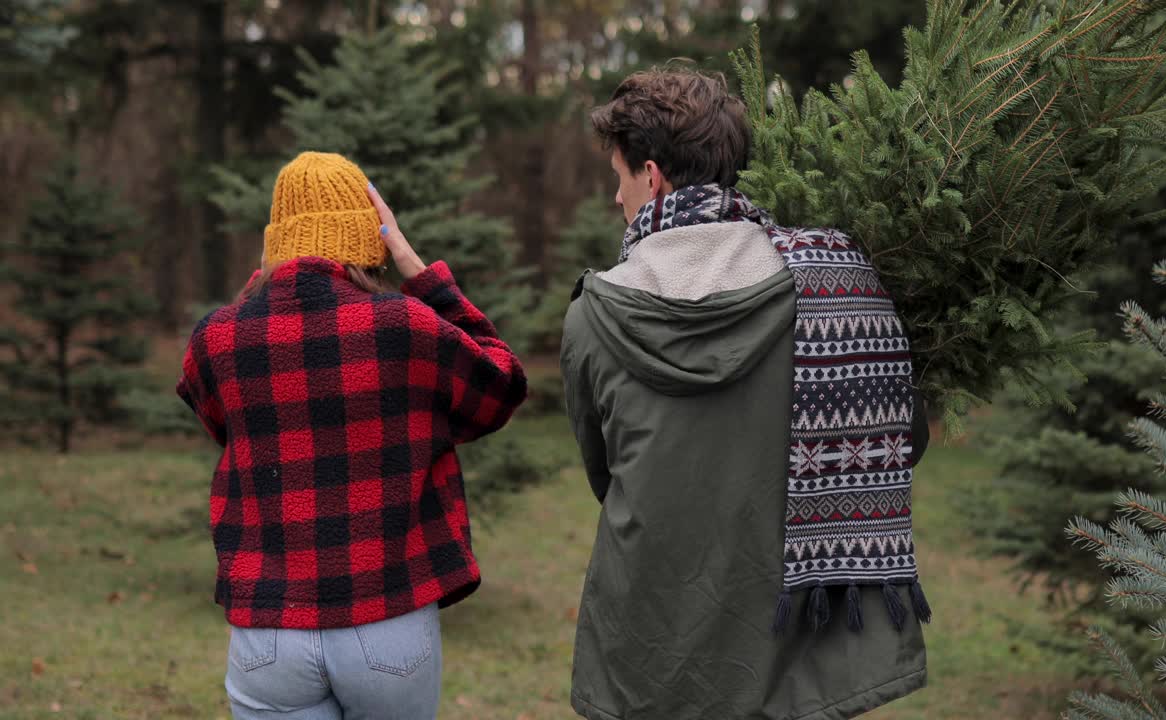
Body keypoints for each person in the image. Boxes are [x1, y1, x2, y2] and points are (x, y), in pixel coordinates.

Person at [560, 69, 932, 720]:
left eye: (618, 179)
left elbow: (606, 473)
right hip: (789, 648)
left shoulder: (592, 316)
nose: (617, 198)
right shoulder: (835, 287)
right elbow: (901, 441)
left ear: (651, 179)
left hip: (646, 642)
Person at [177, 151, 527, 720]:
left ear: (276, 242)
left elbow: (217, 417)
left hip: (269, 627)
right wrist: (420, 272)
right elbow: (501, 386)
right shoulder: (404, 325)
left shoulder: (218, 338)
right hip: (386, 616)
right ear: (371, 238)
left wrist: (266, 277)